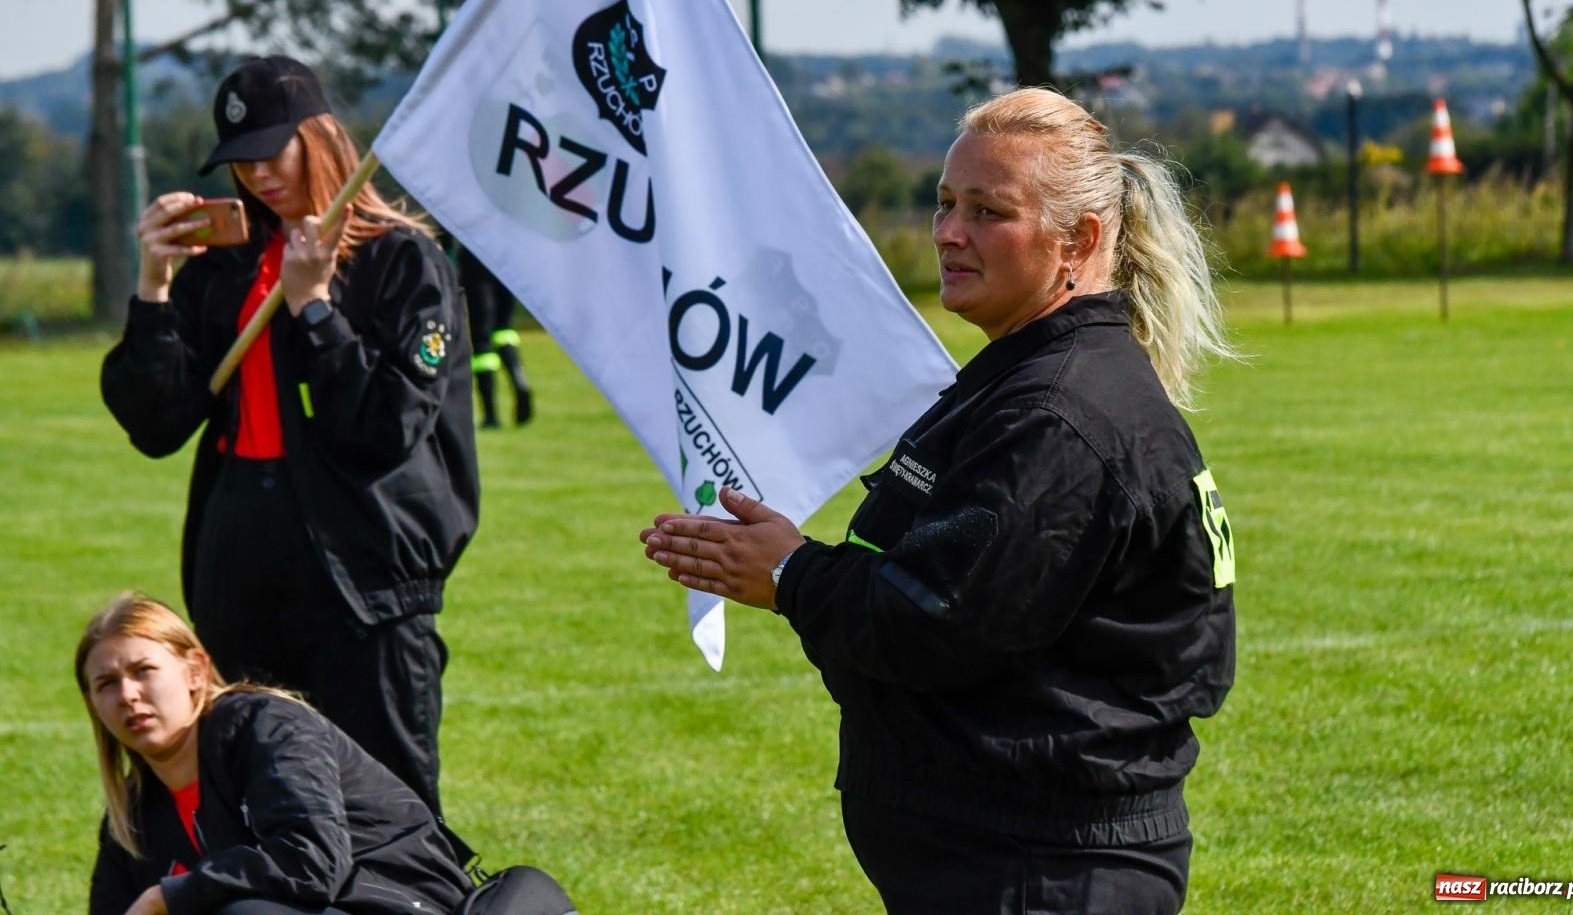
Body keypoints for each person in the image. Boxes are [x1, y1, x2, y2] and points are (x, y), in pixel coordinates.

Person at [641, 87, 1238, 914]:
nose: (950, 233)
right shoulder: (1025, 382)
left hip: (1042, 874)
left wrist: (788, 575)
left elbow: (934, 626)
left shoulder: (1056, 416)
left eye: (989, 211)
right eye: (946, 203)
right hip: (1014, 861)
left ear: (1081, 239)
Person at [101, 55, 479, 818]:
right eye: (239, 162)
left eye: (273, 152)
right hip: (241, 566)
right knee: (260, 802)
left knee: (387, 809)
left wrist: (314, 311)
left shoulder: (402, 260)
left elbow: (387, 428)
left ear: (321, 138)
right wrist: (154, 289)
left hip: (364, 579)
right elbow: (156, 423)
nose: (257, 176)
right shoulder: (225, 267)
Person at [78, 592, 474, 915]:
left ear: (195, 671)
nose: (128, 695)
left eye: (144, 670)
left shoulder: (269, 727)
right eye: (107, 683)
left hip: (401, 904)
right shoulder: (133, 810)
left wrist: (166, 897)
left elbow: (312, 863)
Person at [457, 247, 534, 429]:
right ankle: (518, 379)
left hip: (476, 258)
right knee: (504, 330)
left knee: (481, 341)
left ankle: (491, 415)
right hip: (507, 257)